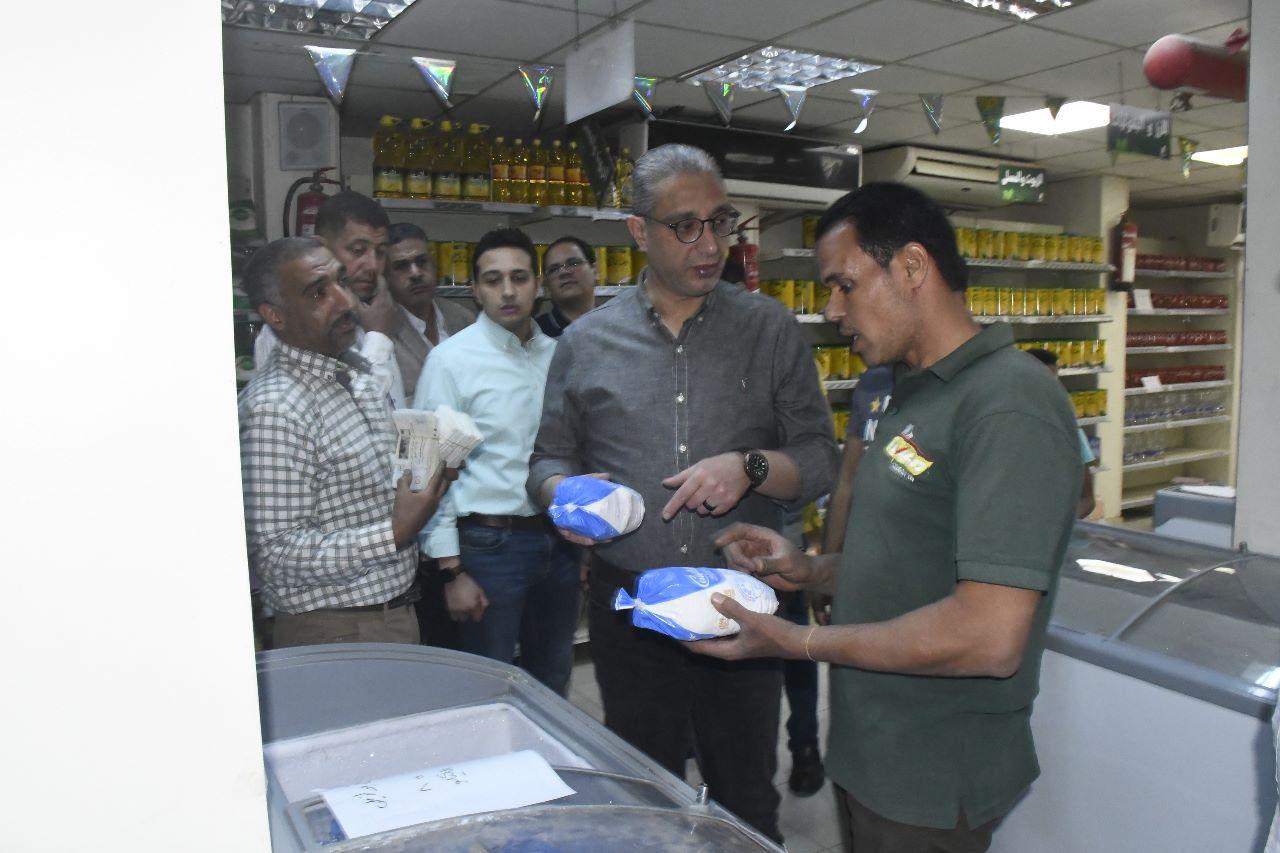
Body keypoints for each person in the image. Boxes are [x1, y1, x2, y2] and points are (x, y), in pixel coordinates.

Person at [686, 183, 1082, 853]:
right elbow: (914, 560)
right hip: (873, 753)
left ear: (912, 267)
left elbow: (989, 636)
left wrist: (796, 642)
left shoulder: (1010, 404)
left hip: (931, 775)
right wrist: (810, 570)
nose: (832, 309)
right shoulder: (915, 391)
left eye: (844, 285)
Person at [528, 143, 838, 844]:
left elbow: (819, 458)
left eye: (720, 222)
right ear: (639, 231)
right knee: (645, 798)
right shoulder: (586, 342)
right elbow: (546, 458)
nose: (710, 245)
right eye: (685, 226)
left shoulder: (769, 330)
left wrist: (751, 467)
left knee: (746, 799)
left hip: (740, 606)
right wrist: (561, 493)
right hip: (631, 611)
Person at [238, 237, 456, 648]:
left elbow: (367, 489)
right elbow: (277, 557)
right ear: (275, 316)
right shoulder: (275, 408)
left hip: (392, 612)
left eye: (341, 281)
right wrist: (394, 531)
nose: (344, 301)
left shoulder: (351, 372)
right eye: (317, 293)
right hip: (334, 629)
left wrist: (427, 470)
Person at [414, 227, 579, 696]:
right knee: (486, 689)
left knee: (552, 683)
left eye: (519, 277)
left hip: (559, 543)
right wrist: (451, 570)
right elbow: (425, 469)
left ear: (538, 285)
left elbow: (573, 448)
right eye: (493, 280)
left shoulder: (560, 355)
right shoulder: (450, 361)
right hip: (488, 549)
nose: (507, 291)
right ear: (475, 289)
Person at [253, 190, 407, 407]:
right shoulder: (291, 326)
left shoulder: (375, 312)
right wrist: (378, 338)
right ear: (321, 248)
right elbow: (344, 409)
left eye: (380, 252)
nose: (372, 265)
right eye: (358, 250)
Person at [383, 222, 476, 402]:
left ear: (434, 264)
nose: (415, 273)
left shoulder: (464, 319)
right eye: (401, 266)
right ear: (385, 277)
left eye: (422, 261)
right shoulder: (384, 330)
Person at [1026, 347, 1098, 519]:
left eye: (1054, 382)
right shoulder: (1000, 430)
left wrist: (1061, 524)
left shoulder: (1071, 433)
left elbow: (1087, 499)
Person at [536, 236, 598, 338]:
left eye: (574, 263)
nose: (564, 272)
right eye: (554, 269)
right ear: (547, 283)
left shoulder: (619, 325)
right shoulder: (533, 335)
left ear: (595, 270)